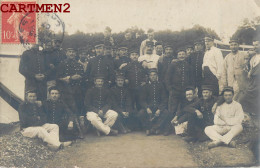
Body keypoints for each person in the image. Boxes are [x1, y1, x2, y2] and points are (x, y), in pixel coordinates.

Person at [166, 48, 194, 135]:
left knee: (183, 109)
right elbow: (167, 78)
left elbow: (191, 79)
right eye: (180, 54)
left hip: (184, 92)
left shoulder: (188, 66)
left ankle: (180, 129)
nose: (181, 56)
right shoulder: (173, 65)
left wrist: (190, 89)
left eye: (183, 54)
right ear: (177, 56)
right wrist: (170, 89)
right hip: (175, 91)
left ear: (185, 55)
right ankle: (168, 129)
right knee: (172, 109)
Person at [56, 48, 85, 120]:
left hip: (78, 91)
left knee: (78, 109)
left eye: (73, 52)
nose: (71, 53)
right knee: (68, 110)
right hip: (66, 91)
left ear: (75, 54)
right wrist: (71, 78)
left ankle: (78, 126)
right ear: (66, 53)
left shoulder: (79, 65)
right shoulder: (62, 64)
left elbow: (83, 76)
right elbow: (58, 78)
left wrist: (80, 77)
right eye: (70, 52)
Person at [139, 69, 168, 135]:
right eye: (151, 75)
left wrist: (160, 109)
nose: (153, 77)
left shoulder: (161, 85)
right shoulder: (145, 86)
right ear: (149, 76)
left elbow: (164, 99)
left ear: (157, 76)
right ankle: (148, 128)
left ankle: (154, 128)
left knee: (166, 113)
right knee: (141, 113)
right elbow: (142, 100)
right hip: (149, 107)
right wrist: (147, 108)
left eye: (154, 75)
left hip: (158, 107)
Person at [123, 49, 147, 116]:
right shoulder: (127, 66)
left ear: (138, 56)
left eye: (136, 55)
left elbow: (146, 75)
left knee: (140, 105)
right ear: (130, 56)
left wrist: (145, 81)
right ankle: (132, 123)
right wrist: (125, 80)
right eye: (133, 55)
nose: (134, 56)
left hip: (140, 90)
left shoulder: (141, 66)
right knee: (130, 105)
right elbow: (122, 76)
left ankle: (140, 122)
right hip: (130, 90)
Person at [240, 40, 260, 118]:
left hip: (258, 81)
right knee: (244, 98)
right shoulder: (253, 57)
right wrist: (249, 72)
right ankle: (252, 113)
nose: (254, 47)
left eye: (257, 45)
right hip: (252, 81)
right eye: (253, 45)